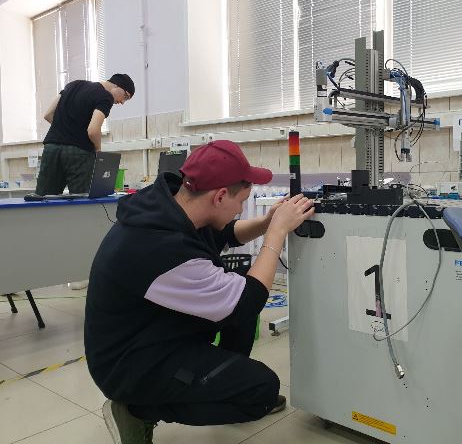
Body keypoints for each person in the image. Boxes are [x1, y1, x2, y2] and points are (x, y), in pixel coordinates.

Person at [84, 140, 315, 444]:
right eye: (241, 201)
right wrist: (277, 233)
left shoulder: (171, 206)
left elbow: (224, 233)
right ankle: (137, 409)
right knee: (261, 390)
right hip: (128, 366)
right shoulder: (162, 248)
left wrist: (266, 223)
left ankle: (218, 381)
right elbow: (250, 300)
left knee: (236, 297)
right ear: (219, 196)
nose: (240, 209)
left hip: (147, 334)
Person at [35, 73, 135, 195]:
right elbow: (93, 130)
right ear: (116, 85)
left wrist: (65, 130)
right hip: (79, 153)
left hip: (51, 149)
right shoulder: (105, 96)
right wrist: (98, 151)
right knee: (82, 200)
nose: (122, 102)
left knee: (43, 198)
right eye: (126, 96)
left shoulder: (73, 85)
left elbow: (48, 114)